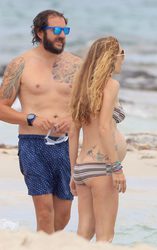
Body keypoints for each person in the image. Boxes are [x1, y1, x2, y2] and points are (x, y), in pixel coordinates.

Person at [0, 10, 82, 233]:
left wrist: (72, 119)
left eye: (65, 30)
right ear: (39, 32)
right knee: (45, 214)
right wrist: (30, 118)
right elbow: (1, 107)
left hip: (67, 145)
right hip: (33, 144)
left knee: (62, 217)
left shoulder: (76, 65)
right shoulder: (20, 64)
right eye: (56, 30)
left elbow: (88, 106)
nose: (61, 35)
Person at [69, 36, 127, 242]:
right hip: (103, 167)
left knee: (84, 233)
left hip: (83, 168)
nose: (124, 58)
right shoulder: (111, 86)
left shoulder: (81, 87)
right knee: (105, 236)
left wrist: (73, 172)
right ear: (111, 58)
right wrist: (117, 167)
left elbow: (73, 132)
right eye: (122, 53)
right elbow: (103, 128)